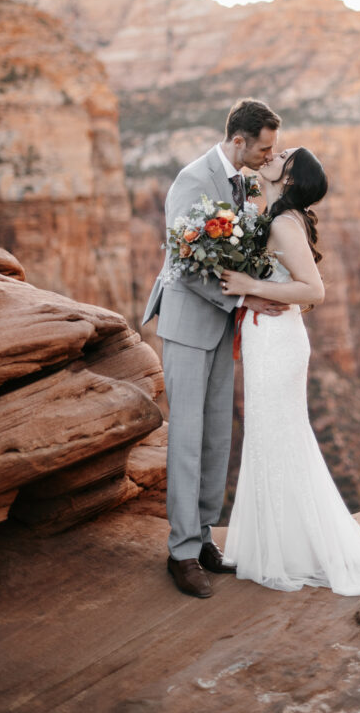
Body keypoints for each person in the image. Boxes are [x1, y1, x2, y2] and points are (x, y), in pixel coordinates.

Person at [220, 147, 360, 595]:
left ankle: (287, 552)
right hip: (270, 336)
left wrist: (247, 285)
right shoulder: (277, 215)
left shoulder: (283, 222)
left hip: (278, 341)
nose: (274, 153)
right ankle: (282, 546)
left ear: (291, 175)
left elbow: (313, 289)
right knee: (271, 437)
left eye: (283, 154)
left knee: (276, 436)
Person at [142, 98, 288, 599]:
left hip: (224, 324)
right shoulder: (192, 180)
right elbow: (183, 264)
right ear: (239, 140)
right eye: (264, 147)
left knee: (215, 437)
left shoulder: (244, 182)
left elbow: (242, 249)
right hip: (187, 324)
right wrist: (247, 294)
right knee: (186, 438)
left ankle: (203, 536)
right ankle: (180, 553)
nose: (270, 156)